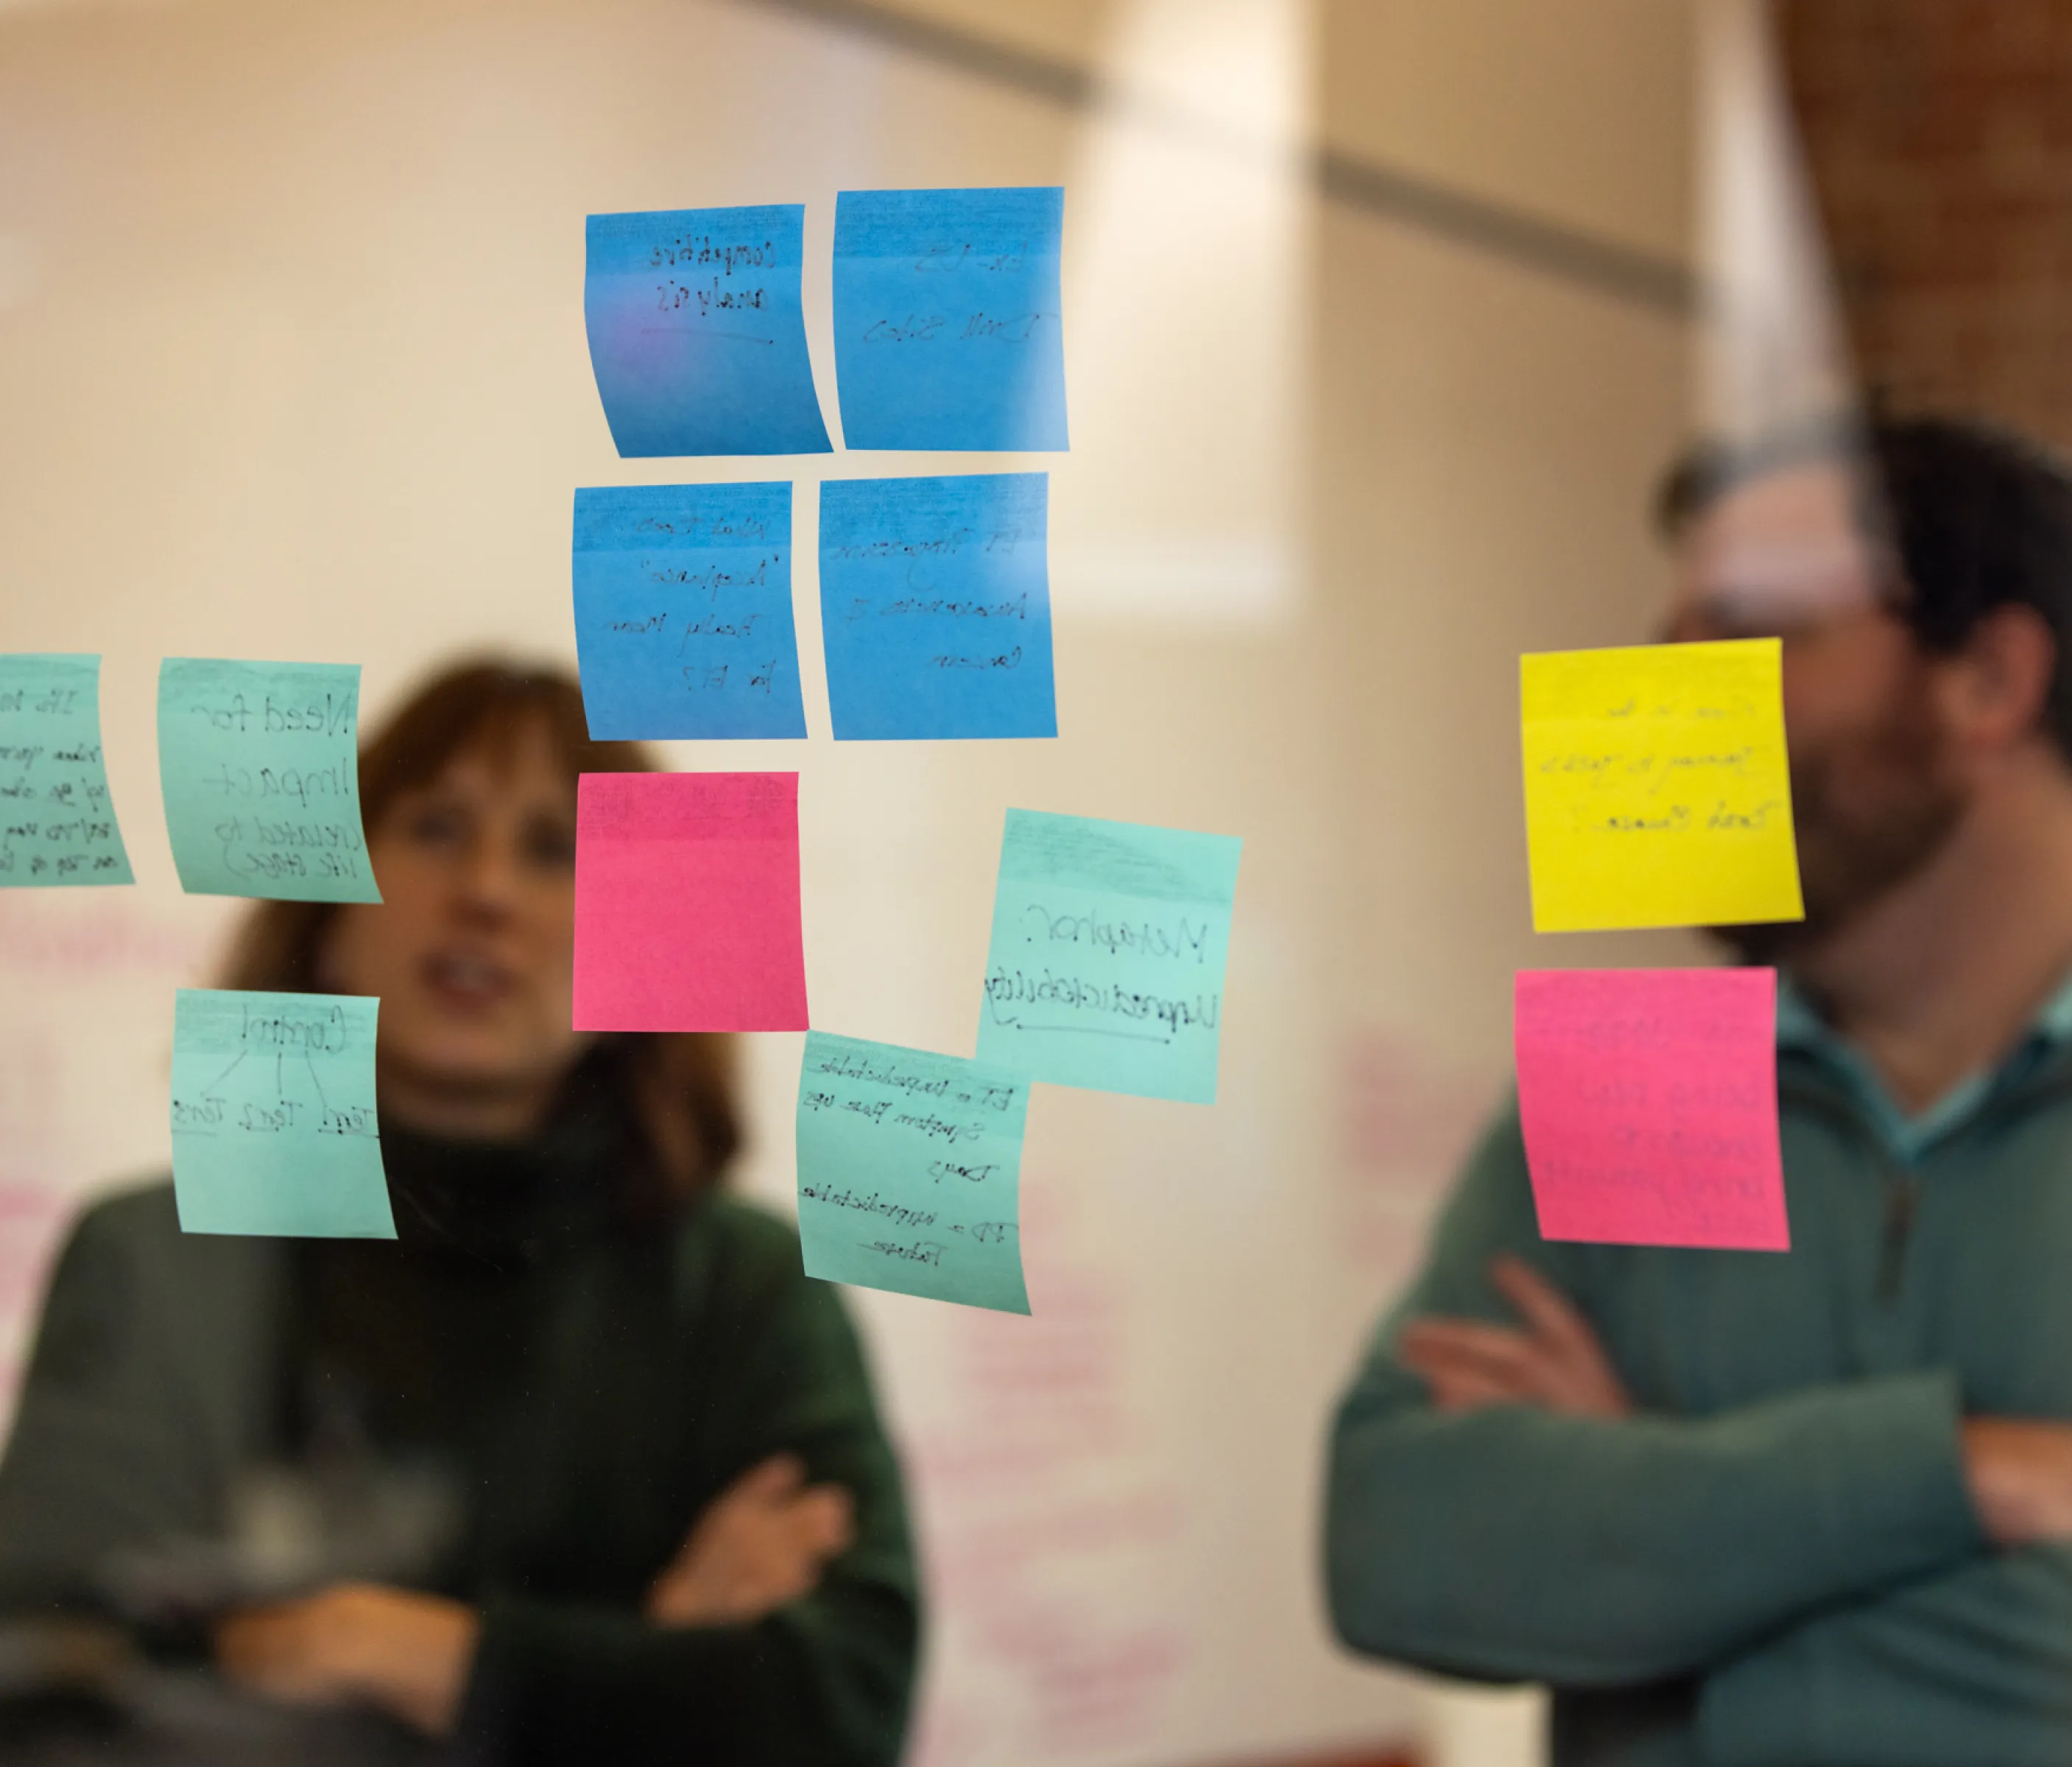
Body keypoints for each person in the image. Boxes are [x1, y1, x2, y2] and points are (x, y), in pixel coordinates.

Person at [0, 662, 919, 1765]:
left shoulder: (745, 1284)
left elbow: (840, 1715)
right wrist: (643, 1666)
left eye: (553, 850)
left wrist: (390, 1648)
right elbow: (46, 1697)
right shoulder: (153, 1258)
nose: (485, 889)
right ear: (327, 897)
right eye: (435, 827)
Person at [1325, 413, 2072, 1766]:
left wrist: (1652, 1519)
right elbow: (1395, 1544)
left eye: (1743, 644)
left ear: (1987, 681)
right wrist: (1976, 1477)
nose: (1661, 721)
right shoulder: (1633, 1068)